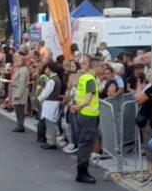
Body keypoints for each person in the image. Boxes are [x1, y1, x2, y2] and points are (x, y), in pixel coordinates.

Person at [71, 56, 104, 184]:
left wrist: (76, 106)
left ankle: (82, 171)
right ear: (95, 67)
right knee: (86, 144)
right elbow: (88, 99)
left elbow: (79, 94)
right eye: (101, 66)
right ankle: (82, 172)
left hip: (83, 114)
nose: (103, 68)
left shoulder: (84, 77)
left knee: (84, 143)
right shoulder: (90, 80)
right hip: (89, 115)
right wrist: (77, 106)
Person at [38, 62, 63, 149]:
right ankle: (51, 140)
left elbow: (46, 92)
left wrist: (40, 98)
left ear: (49, 68)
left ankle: (51, 141)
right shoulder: (57, 79)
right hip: (53, 103)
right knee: (51, 122)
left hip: (50, 103)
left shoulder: (52, 80)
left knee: (50, 123)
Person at [11, 53, 30, 132]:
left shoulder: (23, 70)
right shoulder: (21, 69)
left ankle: (20, 125)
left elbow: (22, 83)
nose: (17, 61)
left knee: (20, 111)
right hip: (17, 91)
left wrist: (17, 94)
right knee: (18, 110)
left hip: (20, 93)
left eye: (19, 60)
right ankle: (19, 125)